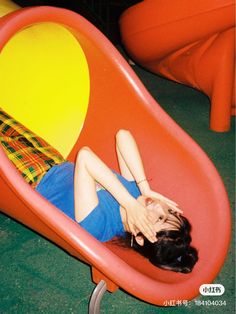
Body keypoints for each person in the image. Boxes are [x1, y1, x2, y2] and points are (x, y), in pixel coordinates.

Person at [0, 108, 198, 273]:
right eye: (169, 211)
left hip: (28, 177)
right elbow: (123, 136)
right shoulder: (136, 195)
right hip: (51, 158)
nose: (158, 207)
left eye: (158, 218)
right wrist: (145, 187)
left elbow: (85, 157)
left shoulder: (100, 226)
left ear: (139, 235)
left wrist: (129, 203)